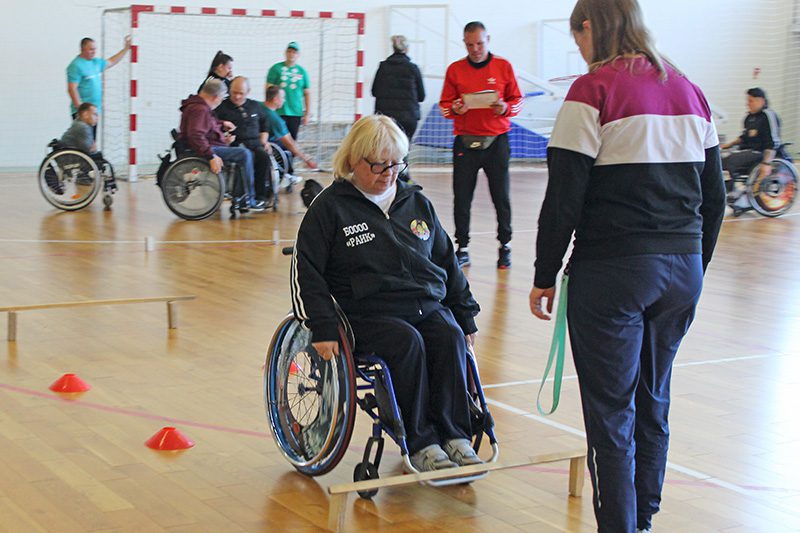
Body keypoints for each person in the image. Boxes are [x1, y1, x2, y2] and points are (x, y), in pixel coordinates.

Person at [528, 1, 725, 532]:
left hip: (614, 272)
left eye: (578, 39)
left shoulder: (592, 90)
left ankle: (621, 525)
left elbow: (563, 199)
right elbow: (716, 199)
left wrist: (545, 274)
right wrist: (693, 266)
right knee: (652, 396)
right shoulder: (690, 90)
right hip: (682, 269)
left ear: (589, 26)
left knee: (611, 412)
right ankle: (644, 517)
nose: (581, 52)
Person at [290, 115, 482, 472]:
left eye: (396, 163)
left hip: (425, 302)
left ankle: (455, 435)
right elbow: (308, 273)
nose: (388, 173)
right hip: (368, 313)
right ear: (352, 161)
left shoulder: (416, 202)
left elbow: (447, 261)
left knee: (450, 335)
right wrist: (323, 327)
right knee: (407, 342)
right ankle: (422, 441)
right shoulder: (330, 208)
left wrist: (465, 314)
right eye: (378, 165)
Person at [439, 21, 522, 270]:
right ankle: (462, 247)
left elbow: (517, 101)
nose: (475, 49)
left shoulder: (503, 66)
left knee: (501, 197)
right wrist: (455, 108)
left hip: (497, 141)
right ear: (464, 44)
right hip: (465, 141)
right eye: (469, 44)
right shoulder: (455, 70)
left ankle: (504, 246)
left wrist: (505, 108)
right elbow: (445, 106)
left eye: (479, 43)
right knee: (462, 198)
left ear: (488, 40)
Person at [178, 79, 266, 211]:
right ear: (215, 97)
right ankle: (247, 199)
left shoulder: (199, 106)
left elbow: (206, 125)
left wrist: (221, 124)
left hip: (207, 146)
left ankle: (241, 196)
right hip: (203, 150)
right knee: (244, 153)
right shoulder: (200, 109)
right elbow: (195, 136)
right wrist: (211, 155)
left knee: (241, 152)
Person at [372, 35, 425, 183]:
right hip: (409, 116)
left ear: (393, 48)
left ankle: (386, 178)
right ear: (407, 49)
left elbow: (374, 91)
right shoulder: (413, 68)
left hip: (387, 117)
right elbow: (421, 96)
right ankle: (403, 176)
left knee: (386, 149)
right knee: (404, 148)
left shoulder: (383, 67)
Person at [215, 76, 275, 206]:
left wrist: (264, 140)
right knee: (246, 157)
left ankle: (261, 196)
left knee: (263, 157)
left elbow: (265, 123)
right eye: (234, 92)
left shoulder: (255, 106)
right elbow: (213, 128)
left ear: (248, 92)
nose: (236, 96)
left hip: (255, 144)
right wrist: (224, 139)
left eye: (240, 93)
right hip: (235, 145)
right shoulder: (221, 108)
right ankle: (244, 196)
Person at [720, 87, 784, 196]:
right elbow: (743, 137)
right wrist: (726, 146)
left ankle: (728, 190)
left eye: (751, 101)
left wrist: (766, 163)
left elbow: (773, 142)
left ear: (761, 101)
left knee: (730, 160)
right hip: (748, 150)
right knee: (721, 157)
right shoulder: (749, 117)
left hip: (761, 153)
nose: (747, 104)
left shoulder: (768, 115)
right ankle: (727, 188)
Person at [66, 35, 131, 137]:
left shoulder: (95, 62)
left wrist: (126, 48)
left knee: (92, 143)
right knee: (84, 142)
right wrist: (81, 110)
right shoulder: (75, 66)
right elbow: (72, 89)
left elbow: (112, 61)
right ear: (82, 49)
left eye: (94, 49)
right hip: (84, 113)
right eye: (91, 49)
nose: (93, 51)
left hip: (93, 112)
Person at [262, 85, 317, 189]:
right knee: (288, 150)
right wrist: (306, 158)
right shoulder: (276, 120)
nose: (284, 100)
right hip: (267, 146)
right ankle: (287, 176)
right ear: (275, 99)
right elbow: (290, 143)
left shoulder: (257, 106)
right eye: (282, 98)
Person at [266, 42, 310, 140]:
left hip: (295, 111)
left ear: (298, 55)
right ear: (286, 53)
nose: (291, 54)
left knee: (292, 139)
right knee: (276, 137)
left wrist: (307, 113)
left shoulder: (302, 71)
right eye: (289, 51)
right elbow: (268, 90)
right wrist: (268, 109)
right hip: (278, 110)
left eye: (294, 52)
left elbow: (307, 93)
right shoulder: (276, 68)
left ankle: (290, 155)